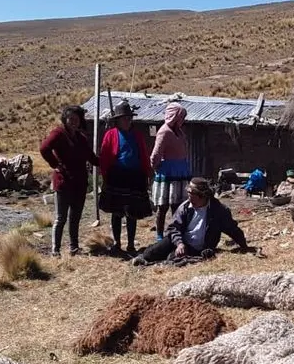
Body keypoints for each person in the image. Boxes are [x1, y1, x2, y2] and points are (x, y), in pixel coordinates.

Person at [132, 177, 248, 265]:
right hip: (180, 242)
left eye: (191, 194)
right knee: (152, 252)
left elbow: (232, 229)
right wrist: (179, 243)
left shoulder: (218, 210)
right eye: (188, 194)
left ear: (202, 195)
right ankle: (145, 256)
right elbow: (174, 228)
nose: (188, 197)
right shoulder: (185, 207)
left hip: (199, 249)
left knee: (173, 259)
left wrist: (244, 246)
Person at [39, 105, 98, 256]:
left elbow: (91, 157)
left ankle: (74, 248)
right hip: (64, 182)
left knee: (75, 217)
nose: (73, 122)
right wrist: (55, 164)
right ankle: (55, 250)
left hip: (79, 183)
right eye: (70, 118)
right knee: (61, 218)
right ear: (65, 119)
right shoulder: (58, 134)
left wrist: (107, 160)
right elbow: (44, 148)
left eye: (76, 119)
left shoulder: (81, 138)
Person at [99, 100, 153, 256]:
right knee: (117, 212)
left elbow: (143, 155)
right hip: (117, 177)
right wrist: (105, 176)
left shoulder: (137, 135)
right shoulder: (111, 135)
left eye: (129, 118)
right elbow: (104, 157)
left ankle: (130, 244)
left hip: (135, 177)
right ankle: (117, 243)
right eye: (124, 118)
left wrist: (147, 173)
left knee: (132, 212)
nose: (128, 120)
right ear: (118, 120)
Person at [150, 103, 191, 242]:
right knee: (163, 206)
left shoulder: (179, 132)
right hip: (168, 172)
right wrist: (157, 167)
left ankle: (176, 233)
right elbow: (155, 154)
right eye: (181, 117)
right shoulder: (165, 132)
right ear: (174, 116)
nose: (182, 120)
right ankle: (160, 236)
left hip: (180, 172)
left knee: (177, 205)